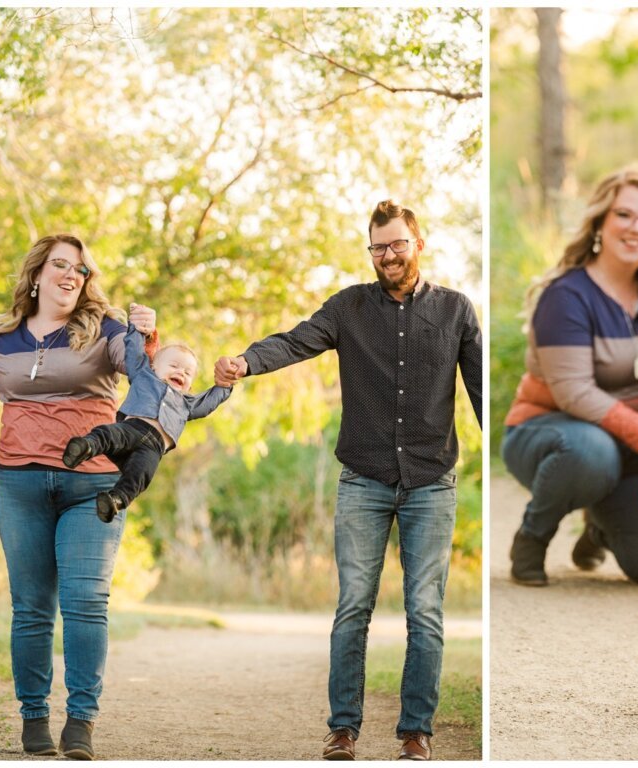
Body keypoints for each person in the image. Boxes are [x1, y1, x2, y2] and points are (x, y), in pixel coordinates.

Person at [213, 200, 482, 761]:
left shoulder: (456, 310)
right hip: (364, 478)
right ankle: (343, 729)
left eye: (397, 244)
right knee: (353, 604)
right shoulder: (349, 307)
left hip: (432, 481)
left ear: (418, 243)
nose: (388, 255)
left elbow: (483, 391)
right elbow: (294, 340)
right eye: (378, 247)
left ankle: (415, 731)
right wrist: (245, 361)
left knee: (425, 610)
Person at [0, 234, 158, 760]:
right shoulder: (3, 338)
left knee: (86, 604)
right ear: (36, 274)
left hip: (93, 486)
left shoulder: (104, 330)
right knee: (31, 608)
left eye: (79, 270)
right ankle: (34, 718)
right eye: (60, 265)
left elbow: (145, 377)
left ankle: (80, 721)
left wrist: (146, 337)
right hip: (21, 485)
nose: (70, 276)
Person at [502, 165, 638, 587]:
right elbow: (573, 392)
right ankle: (532, 537)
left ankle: (599, 527)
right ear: (601, 222)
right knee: (592, 452)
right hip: (550, 436)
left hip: (629, 449)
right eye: (624, 215)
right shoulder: (566, 296)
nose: (636, 228)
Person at [62, 330, 232, 521]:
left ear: (190, 385)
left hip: (153, 449)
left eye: (187, 372)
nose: (180, 372)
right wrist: (137, 330)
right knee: (108, 434)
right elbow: (134, 352)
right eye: (174, 365)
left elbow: (209, 402)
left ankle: (116, 500)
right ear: (154, 367)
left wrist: (225, 386)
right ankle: (86, 447)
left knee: (141, 475)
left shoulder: (187, 403)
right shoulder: (144, 376)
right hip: (132, 429)